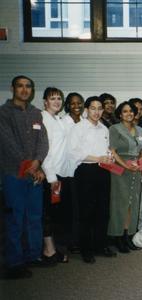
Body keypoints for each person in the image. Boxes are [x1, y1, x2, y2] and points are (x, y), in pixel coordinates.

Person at [0, 75, 49, 279]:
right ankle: (14, 262)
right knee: (15, 218)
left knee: (34, 217)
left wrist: (37, 163)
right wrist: (31, 166)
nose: (24, 89)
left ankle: (33, 255)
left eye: (28, 86)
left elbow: (43, 142)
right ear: (13, 88)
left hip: (34, 174)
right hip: (14, 174)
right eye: (20, 86)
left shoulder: (36, 113)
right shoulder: (3, 113)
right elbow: (7, 143)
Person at [68, 96, 117, 263]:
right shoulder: (78, 128)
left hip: (103, 171)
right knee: (86, 211)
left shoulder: (104, 129)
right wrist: (98, 158)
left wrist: (108, 157)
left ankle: (100, 245)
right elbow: (74, 153)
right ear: (86, 110)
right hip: (85, 171)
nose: (97, 112)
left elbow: (107, 150)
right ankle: (86, 249)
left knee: (103, 210)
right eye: (93, 108)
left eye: (100, 108)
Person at [108, 101, 142, 253]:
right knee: (120, 204)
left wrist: (140, 163)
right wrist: (126, 166)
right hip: (120, 170)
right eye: (125, 111)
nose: (129, 114)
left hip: (136, 170)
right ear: (120, 114)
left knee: (133, 203)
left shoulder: (140, 130)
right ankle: (118, 236)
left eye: (131, 111)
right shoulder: (114, 129)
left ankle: (128, 235)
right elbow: (112, 151)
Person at [41, 87, 72, 264]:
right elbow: (44, 151)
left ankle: (53, 248)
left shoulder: (59, 120)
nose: (57, 101)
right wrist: (51, 177)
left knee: (57, 213)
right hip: (51, 175)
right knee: (49, 214)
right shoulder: (44, 119)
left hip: (62, 174)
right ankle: (49, 250)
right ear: (45, 101)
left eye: (59, 98)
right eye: (53, 98)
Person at [61, 92, 84, 253]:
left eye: (79, 103)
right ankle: (72, 241)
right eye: (73, 103)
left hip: (84, 169)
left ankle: (81, 238)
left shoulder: (85, 122)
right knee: (72, 207)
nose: (77, 106)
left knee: (82, 206)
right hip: (68, 170)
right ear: (67, 105)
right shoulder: (63, 122)